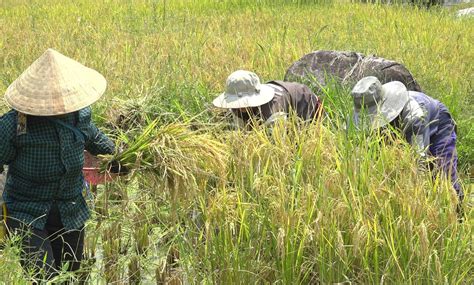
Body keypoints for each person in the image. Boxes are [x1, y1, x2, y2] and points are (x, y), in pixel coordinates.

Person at [0, 48, 117, 282]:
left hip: (70, 211)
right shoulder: (15, 125)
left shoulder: (80, 117)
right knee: (45, 277)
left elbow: (100, 144)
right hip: (27, 213)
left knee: (73, 275)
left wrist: (123, 159)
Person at [350, 76, 462, 202]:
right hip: (404, 126)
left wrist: (416, 200)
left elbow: (420, 160)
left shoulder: (414, 116)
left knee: (444, 176)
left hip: (439, 125)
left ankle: (459, 214)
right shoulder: (370, 118)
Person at [212, 70, 323, 129]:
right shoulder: (236, 108)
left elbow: (278, 144)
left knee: (297, 140)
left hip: (306, 104)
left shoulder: (274, 110)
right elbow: (241, 130)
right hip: (274, 106)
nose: (240, 106)